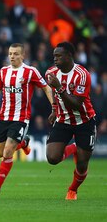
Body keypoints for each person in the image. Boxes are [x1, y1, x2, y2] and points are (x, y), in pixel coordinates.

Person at [0, 43, 53, 193]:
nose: (12, 56)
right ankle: (23, 143)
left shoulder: (31, 72)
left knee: (8, 152)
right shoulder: (3, 71)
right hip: (3, 117)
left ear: (23, 55)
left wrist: (54, 107)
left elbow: (46, 88)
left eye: (15, 54)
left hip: (21, 118)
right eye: (10, 53)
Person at [45, 42, 96, 200]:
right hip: (63, 121)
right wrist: (54, 109)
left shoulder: (82, 74)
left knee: (81, 164)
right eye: (54, 56)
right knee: (52, 158)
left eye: (59, 56)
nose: (55, 59)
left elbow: (76, 104)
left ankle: (72, 189)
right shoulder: (51, 72)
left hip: (84, 121)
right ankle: (73, 148)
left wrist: (60, 87)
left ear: (69, 56)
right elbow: (54, 93)